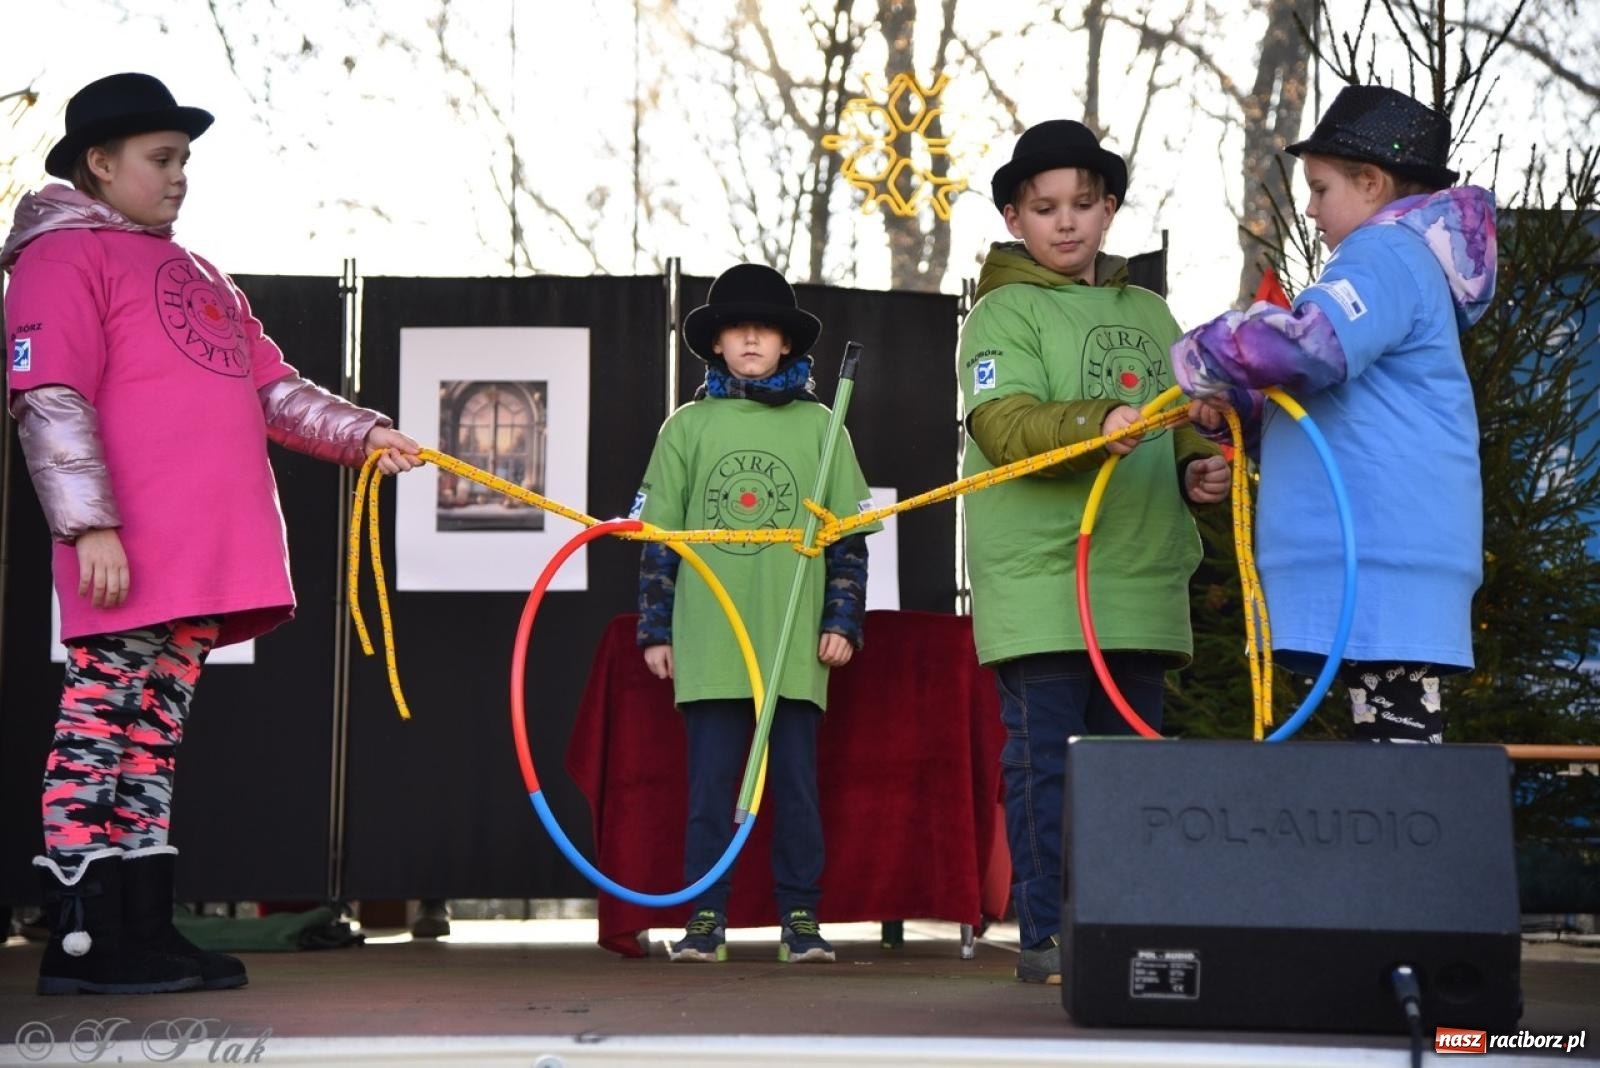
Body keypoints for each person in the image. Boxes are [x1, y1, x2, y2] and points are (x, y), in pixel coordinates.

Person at [2, 72, 422, 995]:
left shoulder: (197, 271)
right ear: (99, 163)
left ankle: (143, 927)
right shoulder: (60, 259)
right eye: (160, 159)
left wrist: (362, 434)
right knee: (98, 726)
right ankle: (83, 942)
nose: (179, 175)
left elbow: (272, 389)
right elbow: (50, 398)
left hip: (201, 554)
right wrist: (91, 527)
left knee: (152, 737)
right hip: (125, 550)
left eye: (184, 159)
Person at [957, 120, 1229, 985]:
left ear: (1109, 209)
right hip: (1042, 585)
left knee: (1131, 775)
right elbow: (1001, 423)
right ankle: (1048, 934)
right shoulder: (1000, 313)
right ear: (1013, 219)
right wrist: (1094, 422)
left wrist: (1197, 466)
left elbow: (1180, 417)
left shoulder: (1150, 312)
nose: (1066, 221)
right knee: (1047, 767)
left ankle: (1125, 931)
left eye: (1083, 203)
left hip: (1140, 582)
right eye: (1045, 208)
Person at [1171, 84, 1495, 745]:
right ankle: (1394, 815)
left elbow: (1310, 347)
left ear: (1371, 183)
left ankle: (1404, 819)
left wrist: (1208, 353)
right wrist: (1238, 409)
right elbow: (1326, 409)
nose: (1312, 209)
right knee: (1382, 756)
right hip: (1374, 558)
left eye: (1320, 189)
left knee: (1394, 766)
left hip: (1378, 559)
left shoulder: (1385, 256)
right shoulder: (1395, 263)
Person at [629, 263, 878, 964]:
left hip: (793, 642)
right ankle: (706, 919)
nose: (749, 339)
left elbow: (849, 541)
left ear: (786, 343)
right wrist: (656, 629)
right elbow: (657, 541)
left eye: (763, 329)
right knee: (711, 790)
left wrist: (842, 621)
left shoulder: (824, 426)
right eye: (736, 328)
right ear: (715, 342)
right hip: (709, 640)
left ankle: (801, 919)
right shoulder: (685, 427)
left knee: (795, 788)